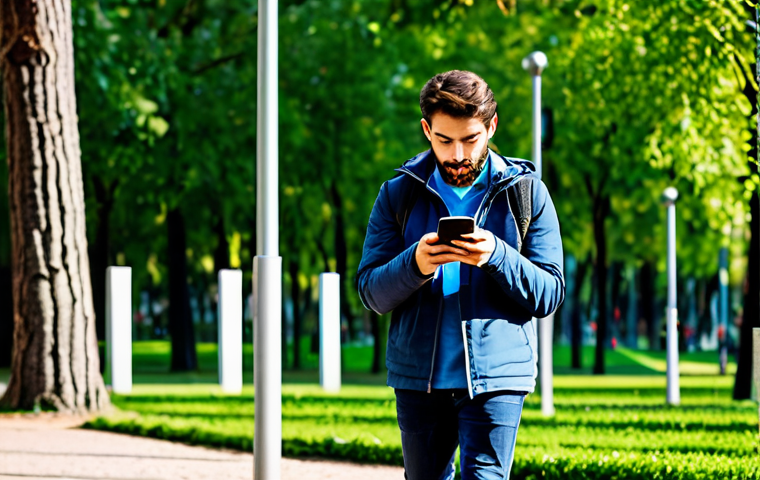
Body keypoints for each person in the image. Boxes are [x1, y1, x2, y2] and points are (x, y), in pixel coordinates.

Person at [356, 70, 565, 480]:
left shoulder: (526, 192)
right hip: (418, 378)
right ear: (426, 130)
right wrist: (416, 263)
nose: (457, 154)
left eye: (470, 139)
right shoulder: (398, 194)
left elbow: (549, 293)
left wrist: (496, 255)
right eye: (444, 140)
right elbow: (371, 293)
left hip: (498, 377)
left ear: (491, 126)